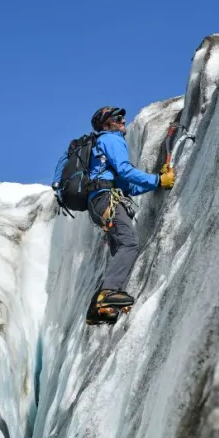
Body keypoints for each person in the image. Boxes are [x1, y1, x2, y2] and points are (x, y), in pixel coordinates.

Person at [53, 106, 175, 321]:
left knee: (120, 248)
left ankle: (98, 309)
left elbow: (127, 187)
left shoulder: (99, 153)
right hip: (107, 201)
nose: (123, 121)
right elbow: (125, 170)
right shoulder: (111, 139)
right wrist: (157, 180)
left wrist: (157, 181)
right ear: (106, 124)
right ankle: (108, 293)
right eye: (118, 118)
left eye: (122, 118)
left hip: (99, 204)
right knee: (129, 244)